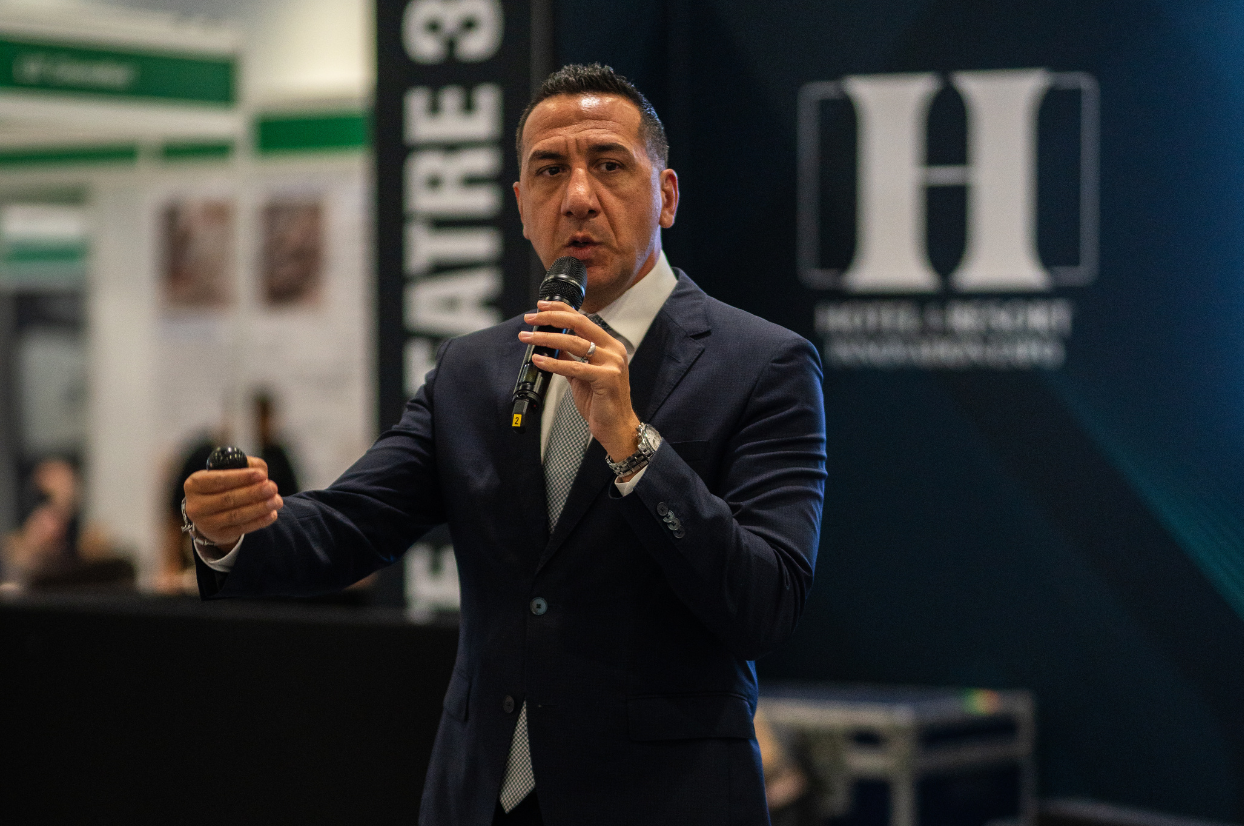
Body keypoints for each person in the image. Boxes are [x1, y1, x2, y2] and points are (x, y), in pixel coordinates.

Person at [184, 64, 827, 826]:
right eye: (549, 171)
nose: (578, 196)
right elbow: (350, 525)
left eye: (609, 165)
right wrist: (230, 533)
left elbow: (765, 603)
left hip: (660, 800)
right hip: (479, 795)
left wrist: (634, 449)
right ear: (522, 207)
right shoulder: (474, 369)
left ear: (666, 195)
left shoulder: (761, 365)